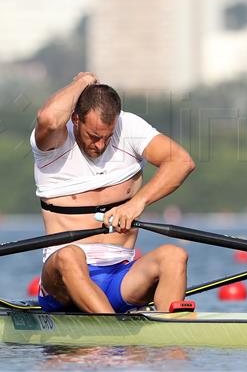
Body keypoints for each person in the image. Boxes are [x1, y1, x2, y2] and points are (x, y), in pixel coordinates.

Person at [31, 72, 195, 313]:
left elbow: (182, 162)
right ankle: (110, 334)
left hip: (120, 276)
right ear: (76, 118)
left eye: (107, 137)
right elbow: (48, 117)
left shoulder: (128, 127)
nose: (100, 145)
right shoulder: (53, 143)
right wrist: (83, 82)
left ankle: (173, 338)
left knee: (174, 255)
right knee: (70, 254)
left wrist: (136, 204)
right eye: (94, 136)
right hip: (64, 282)